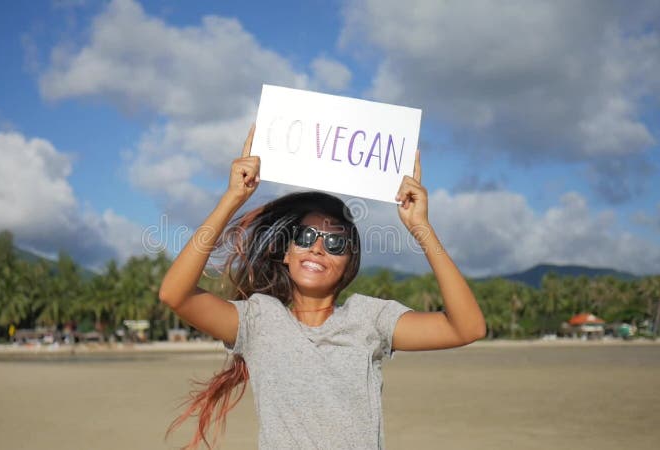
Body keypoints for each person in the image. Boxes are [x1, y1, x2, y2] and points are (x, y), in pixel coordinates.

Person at [159, 125, 486, 449]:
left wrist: (421, 228)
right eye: (305, 237)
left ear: (348, 264)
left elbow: (467, 327)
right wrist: (232, 198)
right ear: (287, 253)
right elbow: (175, 294)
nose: (318, 248)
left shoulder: (370, 318)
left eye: (334, 243)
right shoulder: (259, 320)